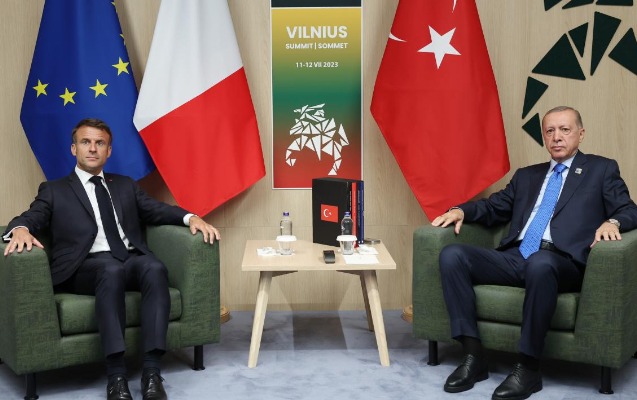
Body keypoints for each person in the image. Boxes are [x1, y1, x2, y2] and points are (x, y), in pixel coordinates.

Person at [3, 118, 220, 400]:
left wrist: (191, 218)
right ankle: (116, 376)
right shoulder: (54, 190)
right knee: (110, 269)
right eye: (85, 142)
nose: (92, 148)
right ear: (74, 149)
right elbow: (31, 216)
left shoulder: (125, 185)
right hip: (83, 268)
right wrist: (20, 228)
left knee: (154, 267)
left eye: (100, 143)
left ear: (108, 151)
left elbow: (155, 210)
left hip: (127, 259)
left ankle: (152, 372)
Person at [431, 106, 637, 400]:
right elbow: (495, 206)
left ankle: (528, 368)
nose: (557, 137)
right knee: (453, 255)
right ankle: (473, 357)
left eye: (564, 130)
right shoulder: (527, 175)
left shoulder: (601, 170)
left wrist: (612, 222)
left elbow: (629, 210)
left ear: (580, 134)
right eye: (550, 131)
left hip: (562, 262)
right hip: (517, 256)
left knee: (540, 263)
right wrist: (460, 211)